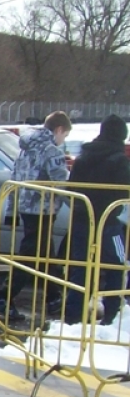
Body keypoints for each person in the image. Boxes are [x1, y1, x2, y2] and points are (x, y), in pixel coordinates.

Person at [0, 111, 71, 321]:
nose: (64, 140)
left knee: (45, 254)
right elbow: (62, 183)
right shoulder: (52, 151)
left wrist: (11, 211)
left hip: (27, 208)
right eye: (65, 135)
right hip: (44, 209)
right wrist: (78, 205)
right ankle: (4, 296)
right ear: (59, 130)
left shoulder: (26, 149)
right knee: (30, 255)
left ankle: (54, 296)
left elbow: (14, 179)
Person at [62, 114, 130, 325]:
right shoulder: (119, 160)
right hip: (109, 221)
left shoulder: (83, 157)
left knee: (80, 269)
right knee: (116, 267)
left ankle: (73, 317)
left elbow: (71, 188)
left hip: (82, 220)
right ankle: (112, 315)